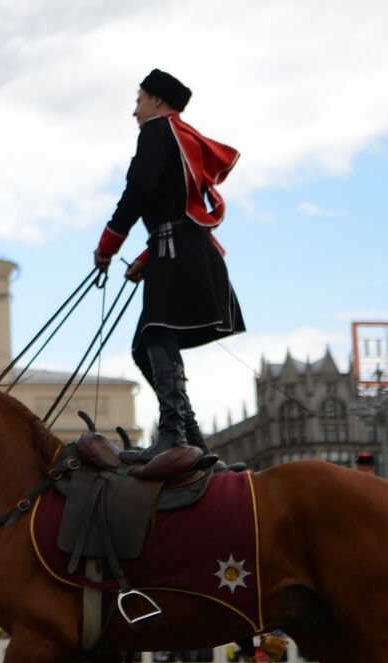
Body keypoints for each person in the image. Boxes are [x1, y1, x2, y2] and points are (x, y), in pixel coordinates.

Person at [94, 68, 244, 465]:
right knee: (150, 342)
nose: (135, 111)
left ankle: (176, 437)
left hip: (177, 251)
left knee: (155, 336)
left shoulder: (158, 131)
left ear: (157, 102)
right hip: (182, 249)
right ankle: (193, 442)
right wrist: (146, 258)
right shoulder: (179, 138)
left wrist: (109, 243)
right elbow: (178, 206)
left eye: (139, 100)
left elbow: (140, 190)